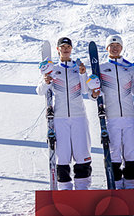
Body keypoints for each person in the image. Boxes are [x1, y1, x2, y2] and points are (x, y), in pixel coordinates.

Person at [36, 37, 93, 190]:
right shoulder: (53, 69)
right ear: (58, 49)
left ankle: (82, 188)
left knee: (82, 153)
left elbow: (85, 90)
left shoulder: (78, 67)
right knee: (62, 155)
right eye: (63, 47)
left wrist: (82, 74)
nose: (66, 49)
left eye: (68, 46)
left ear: (71, 49)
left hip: (79, 116)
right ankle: (64, 189)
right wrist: (46, 81)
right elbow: (40, 91)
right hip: (60, 118)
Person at [95, 35, 134, 189]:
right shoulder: (101, 68)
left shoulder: (131, 67)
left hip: (129, 117)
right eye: (111, 45)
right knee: (114, 152)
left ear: (122, 47)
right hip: (111, 118)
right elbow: (95, 93)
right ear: (106, 48)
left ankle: (131, 186)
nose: (115, 48)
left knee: (132, 152)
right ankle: (115, 185)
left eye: (117, 45)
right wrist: (94, 92)